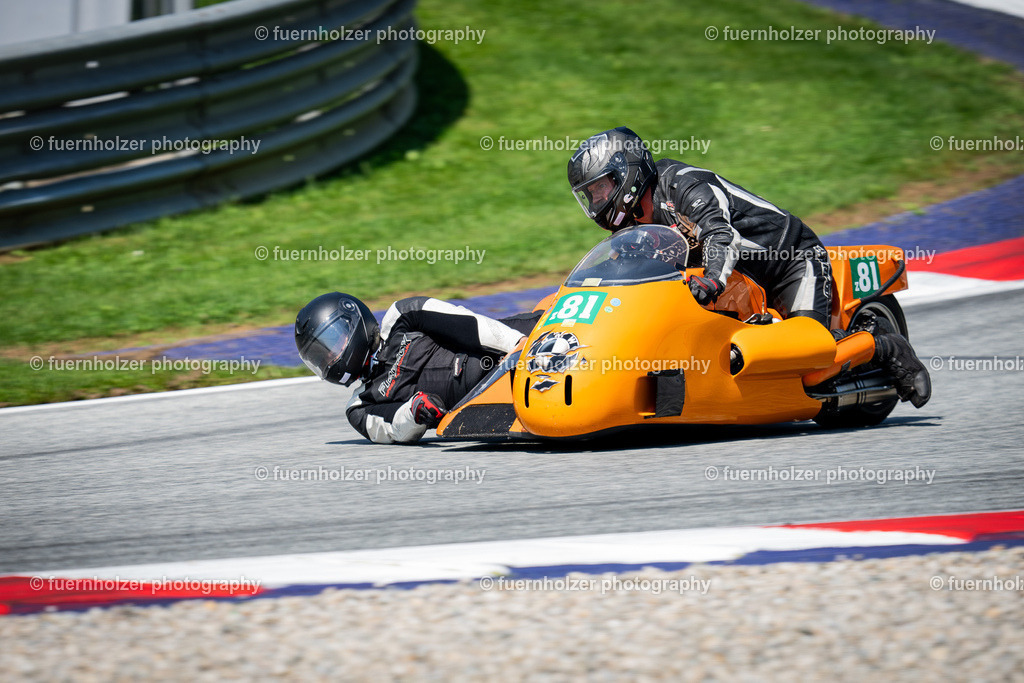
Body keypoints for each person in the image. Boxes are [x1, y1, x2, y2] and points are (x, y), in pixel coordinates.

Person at [567, 126, 930, 408]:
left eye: (600, 189)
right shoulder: (631, 223)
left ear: (626, 175)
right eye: (591, 194)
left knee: (811, 366)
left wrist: (710, 281)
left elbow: (721, 236)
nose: (597, 200)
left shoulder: (685, 184)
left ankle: (885, 347)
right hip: (740, 281)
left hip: (789, 261)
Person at [295, 292, 540, 444]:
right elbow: (393, 430)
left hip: (520, 340)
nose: (330, 357)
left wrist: (516, 344)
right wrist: (414, 412)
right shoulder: (360, 407)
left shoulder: (401, 316)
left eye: (332, 343)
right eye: (320, 357)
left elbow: (464, 321)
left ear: (352, 322)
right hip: (493, 402)